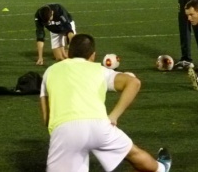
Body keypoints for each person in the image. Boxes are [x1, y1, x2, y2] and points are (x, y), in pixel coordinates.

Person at [39, 33, 172, 172]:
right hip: (99, 127)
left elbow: (46, 118)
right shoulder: (100, 70)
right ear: (93, 55)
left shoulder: (50, 71)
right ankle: (162, 168)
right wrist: (113, 116)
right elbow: (134, 82)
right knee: (132, 153)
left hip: (65, 130)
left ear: (68, 52)